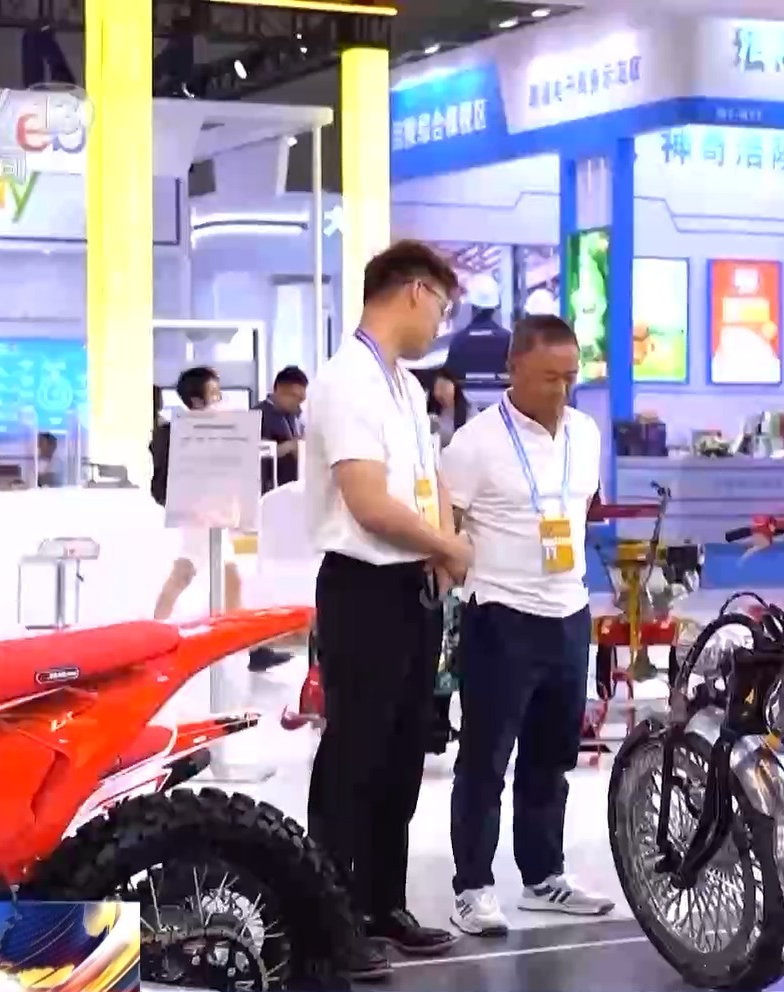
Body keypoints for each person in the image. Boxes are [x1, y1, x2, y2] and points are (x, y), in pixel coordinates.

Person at [303, 240, 468, 961]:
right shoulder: (348, 381)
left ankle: (381, 903)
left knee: (402, 754)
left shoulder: (403, 385)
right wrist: (448, 546)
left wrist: (442, 546)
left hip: (412, 588)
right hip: (363, 588)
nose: (440, 322)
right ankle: (327, 919)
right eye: (441, 306)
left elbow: (429, 482)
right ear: (413, 292)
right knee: (355, 754)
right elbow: (368, 502)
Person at [440, 314, 613, 937]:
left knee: (552, 757)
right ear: (513, 369)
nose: (561, 391)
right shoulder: (475, 443)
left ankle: (543, 876)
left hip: (568, 614)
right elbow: (444, 526)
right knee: (485, 761)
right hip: (500, 618)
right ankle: (473, 887)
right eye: (548, 378)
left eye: (570, 378)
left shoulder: (586, 434)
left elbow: (580, 511)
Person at [149, 367, 291, 673]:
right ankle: (153, 639)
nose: (220, 398)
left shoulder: (203, 431)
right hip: (201, 515)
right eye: (214, 393)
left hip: (212, 513)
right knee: (187, 572)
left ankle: (251, 647)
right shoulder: (194, 431)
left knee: (224, 577)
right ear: (197, 401)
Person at [258, 366, 308, 493]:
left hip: (291, 488)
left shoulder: (293, 415)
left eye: (301, 399)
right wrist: (289, 446)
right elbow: (253, 454)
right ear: (279, 390)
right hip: (267, 489)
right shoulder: (258, 415)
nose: (298, 404)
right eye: (294, 397)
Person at [428, 369, 472, 448]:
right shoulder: (430, 413)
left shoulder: (469, 412)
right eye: (437, 389)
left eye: (444, 388)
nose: (441, 394)